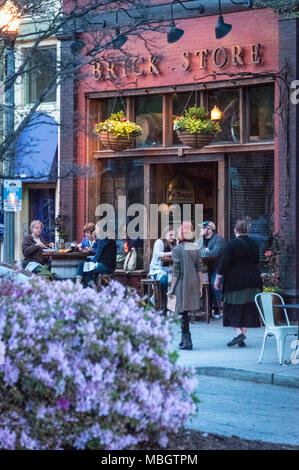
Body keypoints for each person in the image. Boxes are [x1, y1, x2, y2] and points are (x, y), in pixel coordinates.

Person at [214, 219, 262, 348]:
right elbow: (257, 261)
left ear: (235, 231)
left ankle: (238, 333)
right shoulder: (254, 245)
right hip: (254, 282)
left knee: (232, 308)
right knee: (248, 308)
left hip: (235, 282)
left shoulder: (231, 245)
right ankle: (241, 337)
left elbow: (224, 264)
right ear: (247, 231)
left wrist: (218, 278)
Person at [168, 222, 204, 350]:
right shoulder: (195, 248)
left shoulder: (177, 249)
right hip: (193, 282)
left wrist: (171, 288)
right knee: (185, 311)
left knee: (181, 310)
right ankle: (185, 339)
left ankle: (186, 339)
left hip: (182, 283)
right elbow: (200, 267)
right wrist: (200, 285)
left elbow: (176, 270)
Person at [76, 222, 116, 288]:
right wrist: (95, 239)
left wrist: (91, 262)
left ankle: (77, 286)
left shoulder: (102, 239)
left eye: (96, 229)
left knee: (82, 266)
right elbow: (95, 248)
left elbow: (97, 255)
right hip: (111, 266)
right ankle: (94, 287)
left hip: (104, 266)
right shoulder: (108, 239)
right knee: (85, 269)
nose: (95, 231)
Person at [199, 221, 225, 319]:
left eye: (202, 228)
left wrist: (206, 251)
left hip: (216, 269)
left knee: (214, 284)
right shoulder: (201, 239)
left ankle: (217, 308)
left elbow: (215, 253)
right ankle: (204, 310)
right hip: (204, 269)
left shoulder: (219, 239)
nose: (200, 230)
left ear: (209, 229)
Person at [149, 226, 176, 313]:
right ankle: (160, 303)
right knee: (163, 281)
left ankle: (171, 308)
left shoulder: (173, 244)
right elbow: (157, 254)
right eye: (171, 235)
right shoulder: (159, 242)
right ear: (165, 234)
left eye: (174, 235)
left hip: (169, 269)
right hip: (158, 269)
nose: (173, 237)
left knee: (174, 283)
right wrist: (171, 253)